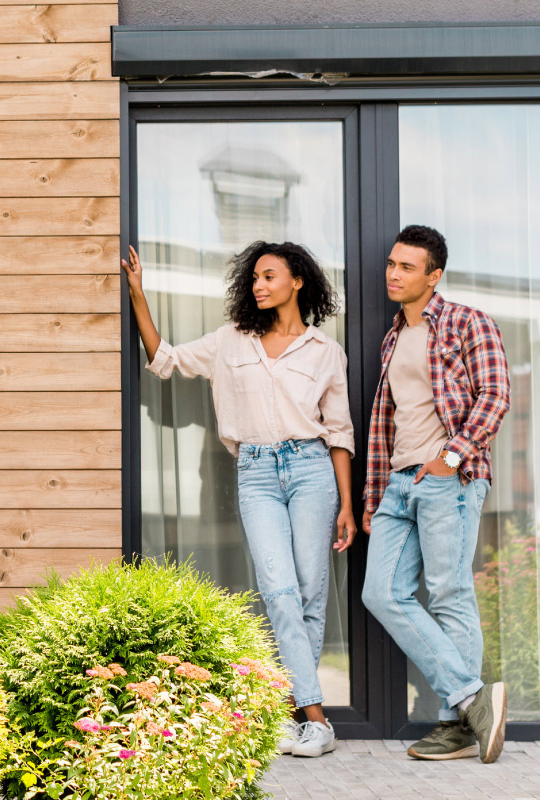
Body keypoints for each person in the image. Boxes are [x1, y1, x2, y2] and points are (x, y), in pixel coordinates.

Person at [122, 241, 355, 759]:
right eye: (253, 278)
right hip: (256, 473)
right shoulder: (230, 341)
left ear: (298, 281)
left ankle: (296, 717)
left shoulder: (324, 352)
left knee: (310, 598)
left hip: (312, 470)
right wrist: (138, 294)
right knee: (279, 592)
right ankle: (316, 718)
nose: (259, 285)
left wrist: (346, 504)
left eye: (269, 276)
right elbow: (164, 359)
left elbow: (339, 433)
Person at [360, 225, 511, 763]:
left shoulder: (468, 322)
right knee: (380, 593)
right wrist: (374, 496)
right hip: (398, 484)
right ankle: (474, 698)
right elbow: (387, 423)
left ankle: (455, 726)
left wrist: (450, 459)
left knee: (448, 595)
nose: (393, 274)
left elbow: (495, 395)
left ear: (434, 275)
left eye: (407, 267)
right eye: (391, 264)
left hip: (448, 480)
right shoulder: (393, 337)